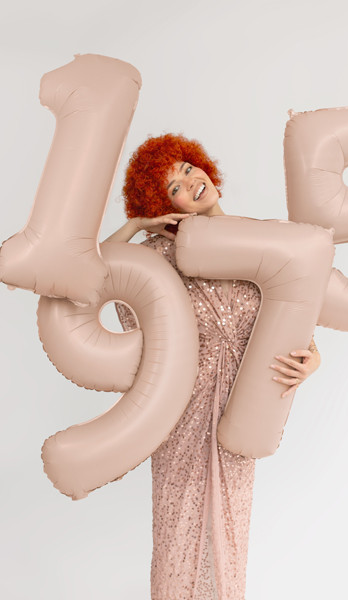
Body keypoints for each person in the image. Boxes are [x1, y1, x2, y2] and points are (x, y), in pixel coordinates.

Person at [103, 133, 321, 599]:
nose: (189, 181)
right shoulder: (158, 256)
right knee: (178, 538)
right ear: (164, 205)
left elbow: (293, 310)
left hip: (242, 409)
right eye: (174, 187)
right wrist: (136, 224)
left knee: (229, 535)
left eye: (187, 168)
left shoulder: (257, 242)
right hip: (181, 413)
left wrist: (313, 357)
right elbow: (94, 271)